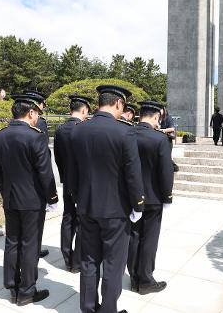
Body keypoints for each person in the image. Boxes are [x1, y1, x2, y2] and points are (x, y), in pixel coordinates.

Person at [69, 85, 145, 313]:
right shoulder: (124, 132)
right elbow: (133, 173)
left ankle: (88, 307)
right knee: (113, 264)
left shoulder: (78, 130)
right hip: (115, 209)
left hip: (86, 206)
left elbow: (72, 172)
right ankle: (109, 309)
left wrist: (77, 198)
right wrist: (137, 204)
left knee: (89, 261)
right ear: (119, 104)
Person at [0, 92, 59, 306]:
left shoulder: (0, 135)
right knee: (30, 244)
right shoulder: (35, 136)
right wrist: (52, 197)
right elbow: (44, 172)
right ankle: (27, 290)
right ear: (31, 113)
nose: (38, 117)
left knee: (12, 242)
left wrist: (1, 190)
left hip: (10, 198)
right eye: (37, 113)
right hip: (32, 201)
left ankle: (12, 286)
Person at [127, 101, 174, 295]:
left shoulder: (127, 134)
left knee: (134, 237)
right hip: (153, 198)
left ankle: (134, 277)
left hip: (131, 197)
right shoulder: (159, 139)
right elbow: (165, 172)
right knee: (149, 239)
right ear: (156, 117)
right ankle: (145, 280)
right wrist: (167, 196)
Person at [54, 95, 92, 273]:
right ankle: (77, 261)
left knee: (68, 218)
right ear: (84, 110)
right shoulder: (85, 129)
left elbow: (58, 158)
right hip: (83, 183)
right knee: (83, 221)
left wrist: (64, 177)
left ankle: (67, 257)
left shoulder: (60, 129)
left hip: (67, 181)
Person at [22, 89, 52, 258]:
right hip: (32, 186)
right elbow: (43, 152)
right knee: (32, 228)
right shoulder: (38, 124)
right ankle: (35, 248)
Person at [160, 106, 179, 172]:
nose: (159, 111)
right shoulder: (157, 118)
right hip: (160, 140)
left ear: (164, 110)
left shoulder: (168, 118)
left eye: (160, 109)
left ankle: (173, 167)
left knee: (168, 155)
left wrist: (162, 130)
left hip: (167, 139)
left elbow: (172, 128)